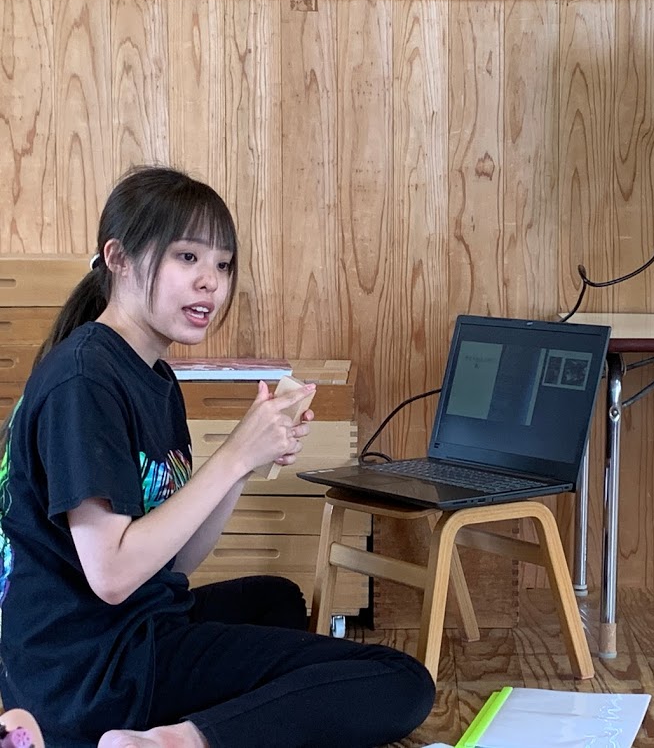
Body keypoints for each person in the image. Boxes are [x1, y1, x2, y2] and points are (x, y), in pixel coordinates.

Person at [0, 166, 435, 748]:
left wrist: (247, 462)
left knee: (277, 600)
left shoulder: (152, 375)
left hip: (122, 635)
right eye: (187, 257)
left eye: (223, 264)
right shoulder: (85, 380)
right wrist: (232, 455)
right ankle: (173, 742)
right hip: (91, 674)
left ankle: (195, 728)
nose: (211, 282)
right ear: (119, 258)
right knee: (402, 682)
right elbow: (114, 576)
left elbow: (176, 562)